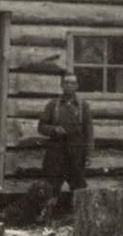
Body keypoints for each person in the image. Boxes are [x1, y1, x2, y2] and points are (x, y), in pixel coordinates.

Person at [36, 71, 93, 215]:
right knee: (52, 187)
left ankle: (81, 218)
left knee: (79, 187)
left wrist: (89, 155)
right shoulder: (53, 105)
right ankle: (46, 218)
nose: (69, 85)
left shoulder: (83, 106)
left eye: (72, 83)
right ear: (61, 85)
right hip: (56, 152)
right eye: (66, 82)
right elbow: (41, 127)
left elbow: (89, 133)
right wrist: (54, 129)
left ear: (77, 86)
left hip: (76, 153)